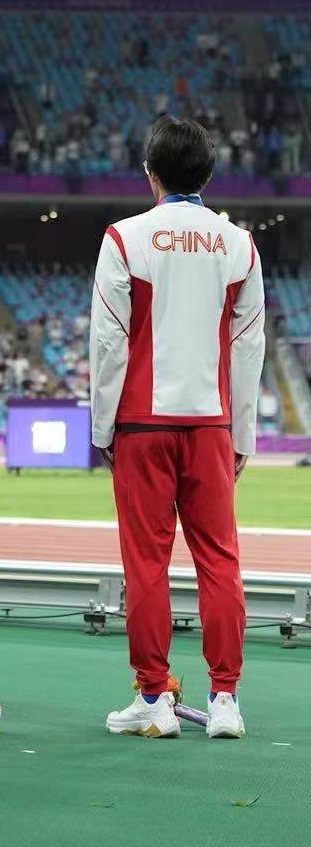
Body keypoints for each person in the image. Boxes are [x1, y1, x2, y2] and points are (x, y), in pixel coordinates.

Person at [90, 116, 265, 743]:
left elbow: (108, 342)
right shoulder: (240, 246)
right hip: (211, 422)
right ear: (209, 175)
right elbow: (249, 347)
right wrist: (242, 435)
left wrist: (103, 427)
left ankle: (153, 698)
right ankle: (225, 699)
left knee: (147, 563)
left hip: (142, 423)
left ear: (150, 174)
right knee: (220, 560)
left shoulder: (124, 238)